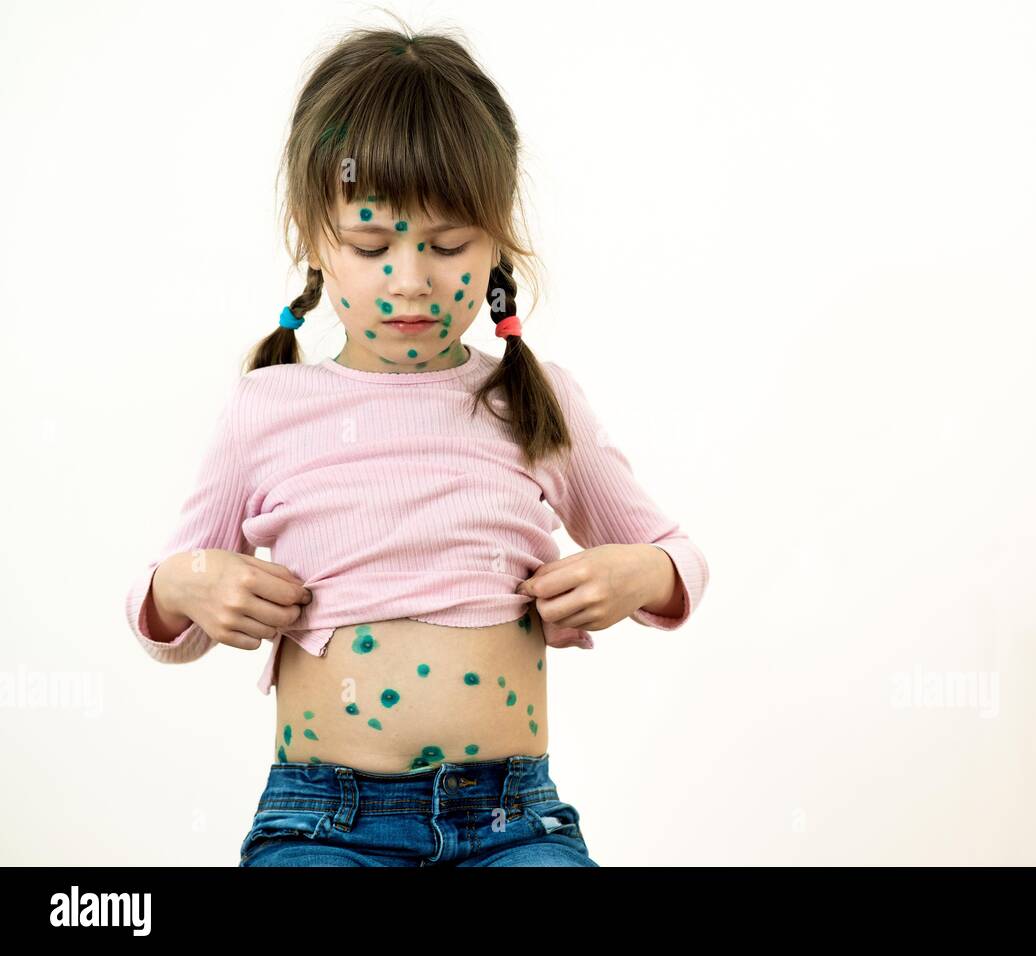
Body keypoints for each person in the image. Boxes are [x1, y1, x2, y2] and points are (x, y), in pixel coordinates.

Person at [122, 20, 709, 867]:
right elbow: (162, 615)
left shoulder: (534, 403)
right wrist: (188, 584)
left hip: (515, 823)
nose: (410, 278)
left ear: (498, 236)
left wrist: (638, 572)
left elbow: (675, 552)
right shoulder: (266, 408)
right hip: (324, 821)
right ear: (313, 237)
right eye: (371, 244)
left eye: (447, 245)